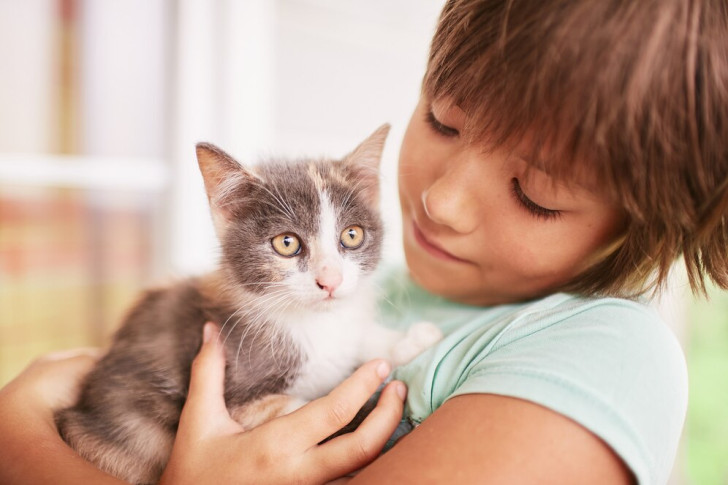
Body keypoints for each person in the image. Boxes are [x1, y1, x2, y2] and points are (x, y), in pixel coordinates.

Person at [1, 0, 726, 483]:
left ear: (642, 222)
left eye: (534, 191)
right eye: (443, 120)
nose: (441, 201)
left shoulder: (602, 355)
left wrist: (18, 437)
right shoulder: (380, 291)